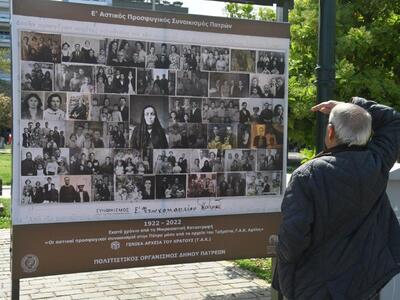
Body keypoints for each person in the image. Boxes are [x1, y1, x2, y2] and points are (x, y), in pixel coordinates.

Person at [273, 98, 400, 300]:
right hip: (363, 284)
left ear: (330, 132)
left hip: (316, 287)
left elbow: (292, 241)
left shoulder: (307, 175)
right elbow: (393, 120)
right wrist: (356, 105)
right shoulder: (377, 162)